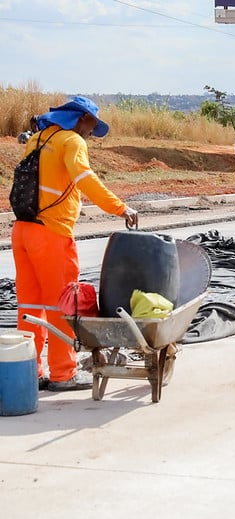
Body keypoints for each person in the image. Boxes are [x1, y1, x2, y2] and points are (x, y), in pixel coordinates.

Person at [13, 96, 139, 392]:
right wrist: (121, 208)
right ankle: (63, 373)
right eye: (93, 125)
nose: (93, 132)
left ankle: (31, 372)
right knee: (61, 307)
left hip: (22, 231)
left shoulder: (39, 139)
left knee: (30, 308)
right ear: (81, 118)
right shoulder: (71, 141)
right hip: (52, 234)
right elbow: (86, 179)